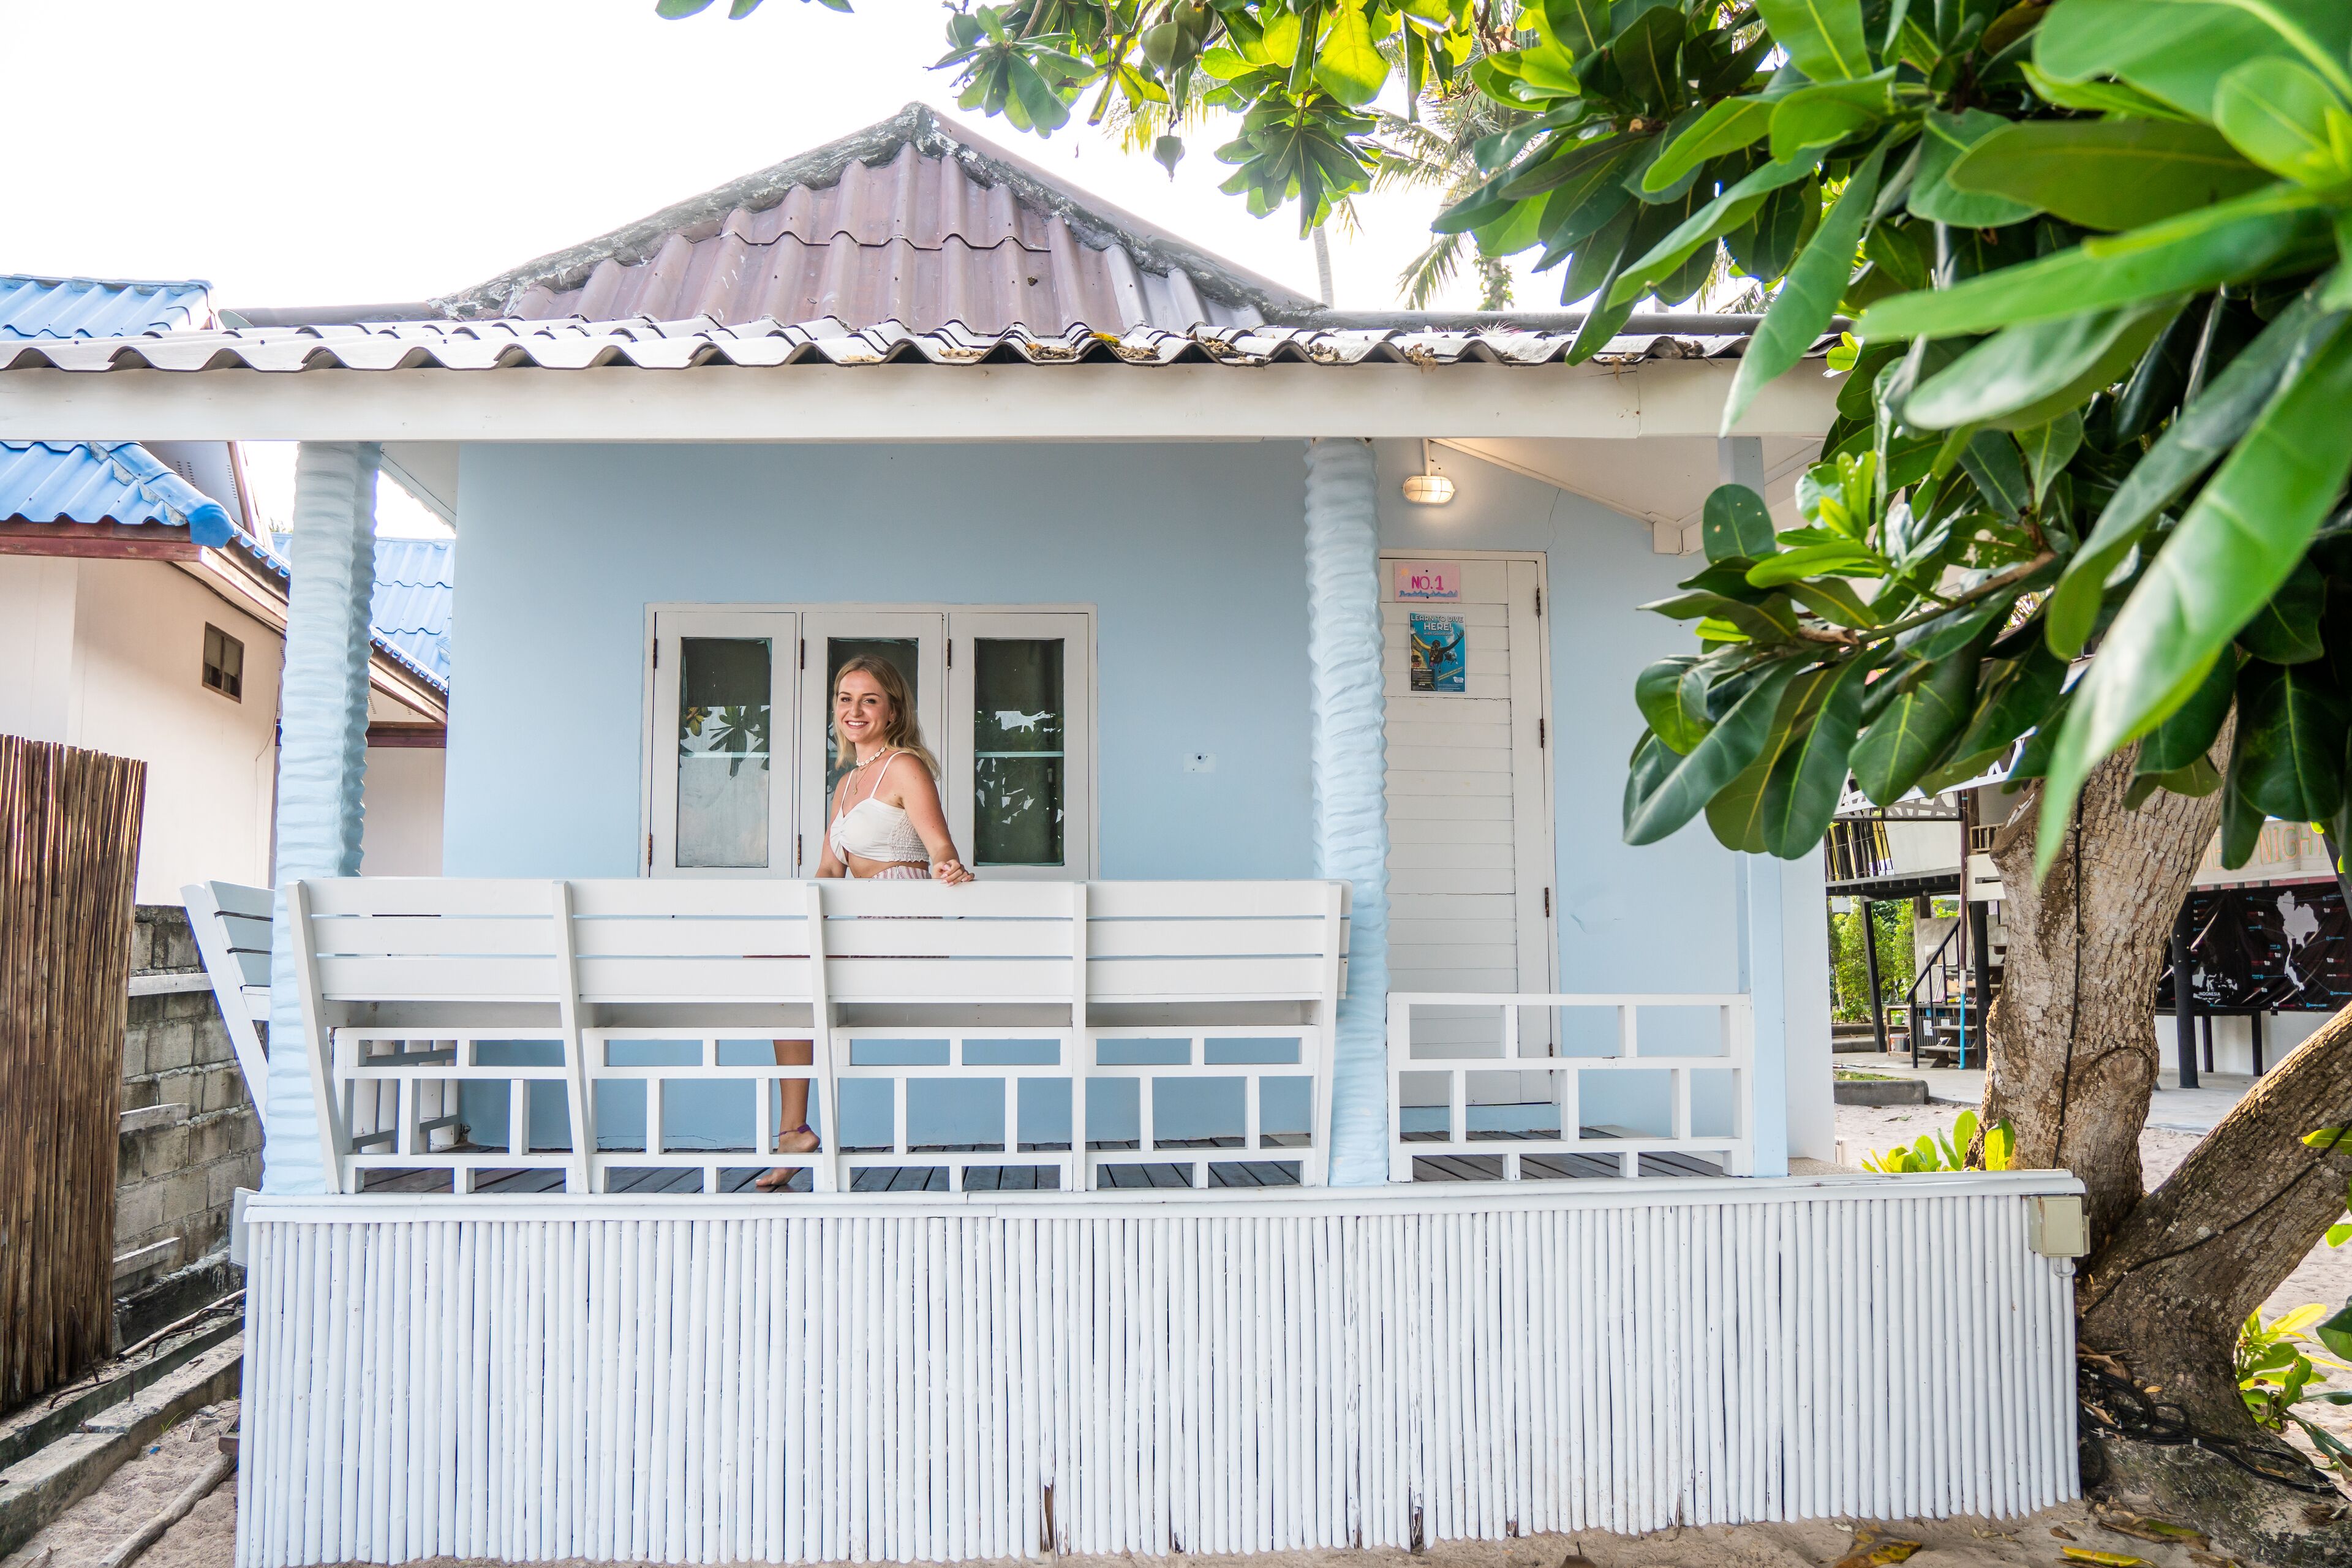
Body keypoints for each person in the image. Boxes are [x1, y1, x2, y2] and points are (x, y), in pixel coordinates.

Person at [756, 656, 972, 1189]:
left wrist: (947, 863)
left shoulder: (904, 767)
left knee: (787, 977)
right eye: (845, 698)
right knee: (779, 980)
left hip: (896, 913)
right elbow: (829, 869)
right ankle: (794, 1133)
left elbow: (939, 841)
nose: (854, 710)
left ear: (892, 709)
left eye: (869, 699)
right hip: (854, 915)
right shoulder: (847, 783)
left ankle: (792, 1135)